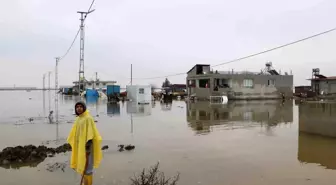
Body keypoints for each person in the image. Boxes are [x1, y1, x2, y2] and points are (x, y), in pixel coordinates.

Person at [67, 101, 102, 185]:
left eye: (80, 106)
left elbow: (91, 133)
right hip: (80, 146)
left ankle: (88, 183)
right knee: (82, 165)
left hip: (87, 147)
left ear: (84, 108)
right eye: (77, 107)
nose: (79, 108)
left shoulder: (87, 118)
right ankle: (85, 183)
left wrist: (88, 147)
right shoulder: (79, 118)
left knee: (88, 168)